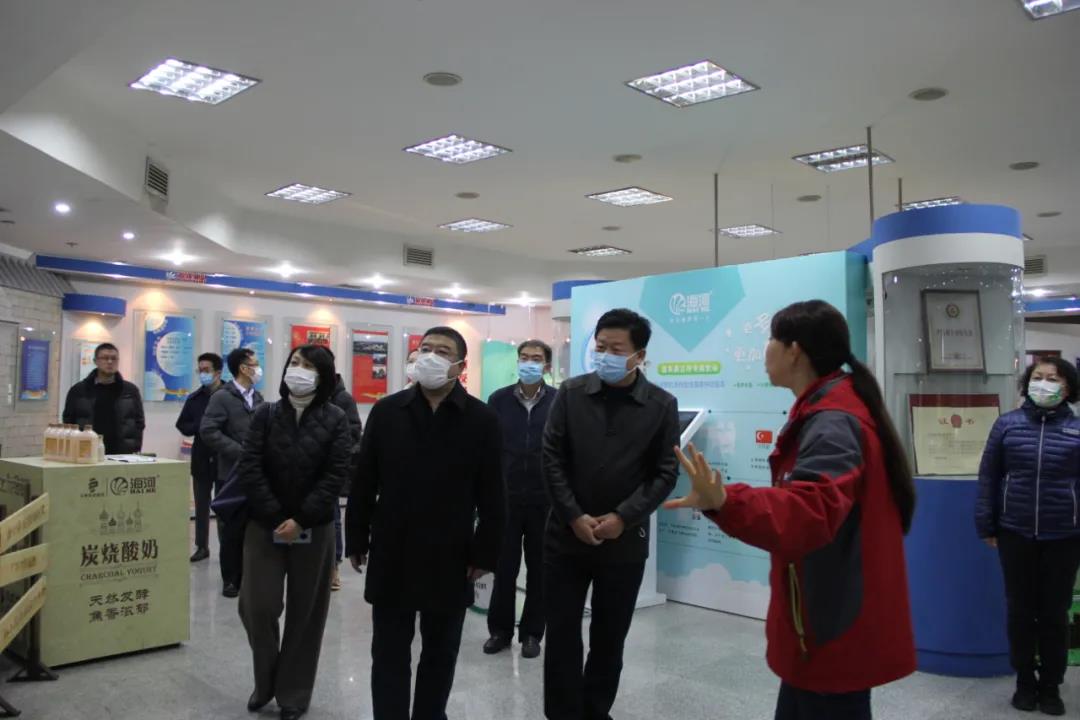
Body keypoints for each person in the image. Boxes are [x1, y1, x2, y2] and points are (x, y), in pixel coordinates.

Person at [666, 300, 917, 720]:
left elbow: (809, 512)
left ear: (794, 350)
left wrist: (726, 500)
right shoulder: (828, 408)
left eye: (771, 340)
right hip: (821, 614)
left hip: (832, 620)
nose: (765, 351)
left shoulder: (833, 421)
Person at [346, 326, 504, 720]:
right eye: (425, 348)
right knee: (388, 650)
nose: (431, 356)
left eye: (443, 351)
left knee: (441, 651)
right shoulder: (388, 411)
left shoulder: (482, 419)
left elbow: (493, 494)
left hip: (451, 552)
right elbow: (364, 480)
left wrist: (485, 553)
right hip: (392, 547)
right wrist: (356, 538)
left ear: (460, 365)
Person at [542, 308, 679, 720]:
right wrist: (573, 515)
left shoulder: (660, 405)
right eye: (600, 347)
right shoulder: (571, 393)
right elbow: (551, 457)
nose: (605, 356)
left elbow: (665, 473)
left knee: (609, 637)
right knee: (562, 634)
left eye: (616, 349)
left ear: (639, 355)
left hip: (624, 542)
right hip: (566, 537)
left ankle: (596, 711)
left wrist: (623, 517)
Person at [236, 344, 351, 720]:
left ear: (323, 376)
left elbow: (336, 474)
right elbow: (250, 465)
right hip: (264, 525)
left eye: (308, 366)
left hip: (314, 529)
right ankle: (266, 680)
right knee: (257, 606)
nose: (298, 370)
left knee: (307, 613)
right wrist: (275, 516)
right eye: (295, 363)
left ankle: (293, 694)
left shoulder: (336, 418)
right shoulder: (266, 414)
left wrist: (301, 519)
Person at [976, 357, 1080, 716]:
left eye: (1054, 378)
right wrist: (987, 524)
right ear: (1027, 382)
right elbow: (989, 477)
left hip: (1064, 535)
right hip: (1015, 532)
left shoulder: (1077, 430)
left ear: (1068, 387)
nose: (1045, 383)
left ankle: (1050, 686)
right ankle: (1024, 681)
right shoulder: (1007, 425)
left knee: (1054, 613)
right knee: (1020, 611)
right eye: (1038, 376)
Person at [484, 339, 556, 660]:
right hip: (506, 498)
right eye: (524, 357)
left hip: (545, 501)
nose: (529, 363)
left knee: (540, 571)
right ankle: (500, 631)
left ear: (547, 366)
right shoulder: (498, 400)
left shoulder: (559, 401)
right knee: (504, 568)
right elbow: (488, 448)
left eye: (536, 358)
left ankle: (532, 633)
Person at [201, 347, 265, 598]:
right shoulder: (222, 397)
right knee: (231, 529)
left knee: (254, 527)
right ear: (243, 368)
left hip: (256, 474)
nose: (258, 369)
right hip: (229, 474)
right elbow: (208, 430)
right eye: (255, 364)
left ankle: (251, 575)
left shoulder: (258, 398)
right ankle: (231, 579)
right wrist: (239, 451)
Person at [176, 352, 224, 562]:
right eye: (200, 370)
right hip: (201, 456)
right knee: (202, 505)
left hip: (224, 457)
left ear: (218, 372)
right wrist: (200, 426)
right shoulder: (195, 398)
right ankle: (202, 546)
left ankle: (227, 547)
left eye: (207, 370)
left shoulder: (230, 395)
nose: (203, 374)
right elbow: (182, 424)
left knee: (224, 506)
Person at [325, 349, 363, 592]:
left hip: (330, 467)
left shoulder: (343, 398)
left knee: (333, 518)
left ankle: (333, 566)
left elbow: (354, 432)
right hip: (304, 470)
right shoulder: (305, 394)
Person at [62, 342, 145, 454]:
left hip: (122, 453)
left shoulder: (130, 391)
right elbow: (68, 422)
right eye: (105, 358)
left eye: (114, 358)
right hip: (87, 451)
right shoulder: (78, 390)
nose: (110, 362)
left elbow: (139, 422)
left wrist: (136, 447)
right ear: (95, 361)